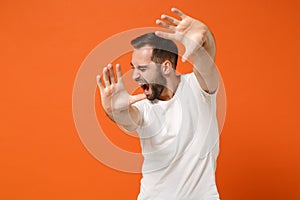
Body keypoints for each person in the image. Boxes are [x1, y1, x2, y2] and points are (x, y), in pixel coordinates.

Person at [96, 8, 220, 200]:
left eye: (143, 68)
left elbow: (207, 60)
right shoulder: (143, 108)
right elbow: (127, 118)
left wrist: (205, 35)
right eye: (134, 68)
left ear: (166, 67)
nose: (135, 76)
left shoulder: (199, 88)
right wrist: (114, 110)